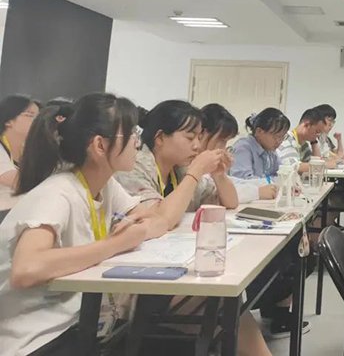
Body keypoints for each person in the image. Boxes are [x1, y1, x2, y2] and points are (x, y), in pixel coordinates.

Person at [0, 95, 169, 355]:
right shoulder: (58, 192)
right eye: (131, 134)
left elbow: (158, 221)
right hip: (38, 338)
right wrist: (115, 244)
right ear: (100, 145)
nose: (138, 142)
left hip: (81, 324)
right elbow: (26, 269)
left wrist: (139, 229)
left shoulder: (105, 184)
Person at [115, 100, 238, 220]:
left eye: (199, 138)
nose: (197, 145)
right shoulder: (133, 167)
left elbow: (230, 203)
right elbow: (157, 218)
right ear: (160, 138)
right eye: (190, 138)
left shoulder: (179, 168)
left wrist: (218, 175)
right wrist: (195, 173)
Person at [198, 103, 276, 203]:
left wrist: (266, 184)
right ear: (202, 133)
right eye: (221, 140)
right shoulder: (243, 146)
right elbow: (217, 194)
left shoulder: (271, 152)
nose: (223, 148)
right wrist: (257, 192)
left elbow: (232, 185)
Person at [229, 107, 289, 200]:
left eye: (282, 137)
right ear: (259, 132)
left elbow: (282, 173)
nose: (279, 141)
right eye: (276, 136)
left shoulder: (270, 150)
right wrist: (274, 182)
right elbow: (243, 181)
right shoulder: (243, 147)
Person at [0, 95, 40, 191]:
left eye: (38, 117)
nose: (37, 121)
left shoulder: (28, 149)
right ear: (8, 121)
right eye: (30, 115)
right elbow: (18, 182)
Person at [275, 108, 332, 173]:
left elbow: (315, 162)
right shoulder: (287, 139)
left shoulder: (304, 145)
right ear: (307, 125)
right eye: (317, 131)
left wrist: (314, 142)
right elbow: (294, 166)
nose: (318, 135)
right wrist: (325, 165)